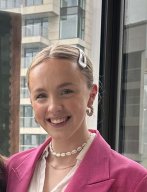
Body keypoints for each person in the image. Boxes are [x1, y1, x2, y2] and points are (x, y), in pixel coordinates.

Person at [6, 44, 147, 192]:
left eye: (66, 91)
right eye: (41, 96)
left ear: (91, 96)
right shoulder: (13, 168)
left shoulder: (134, 181)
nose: (54, 107)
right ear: (32, 102)